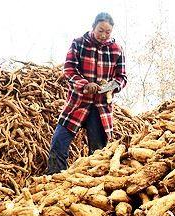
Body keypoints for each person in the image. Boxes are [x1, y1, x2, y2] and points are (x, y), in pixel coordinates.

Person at [46, 12, 127, 175]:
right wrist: (84, 84)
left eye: (108, 32)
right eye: (100, 30)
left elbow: (122, 77)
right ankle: (54, 179)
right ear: (93, 27)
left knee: (98, 152)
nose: (104, 35)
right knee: (58, 143)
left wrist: (112, 86)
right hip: (77, 103)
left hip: (100, 107)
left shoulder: (116, 50)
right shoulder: (79, 43)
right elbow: (69, 70)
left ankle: (94, 183)